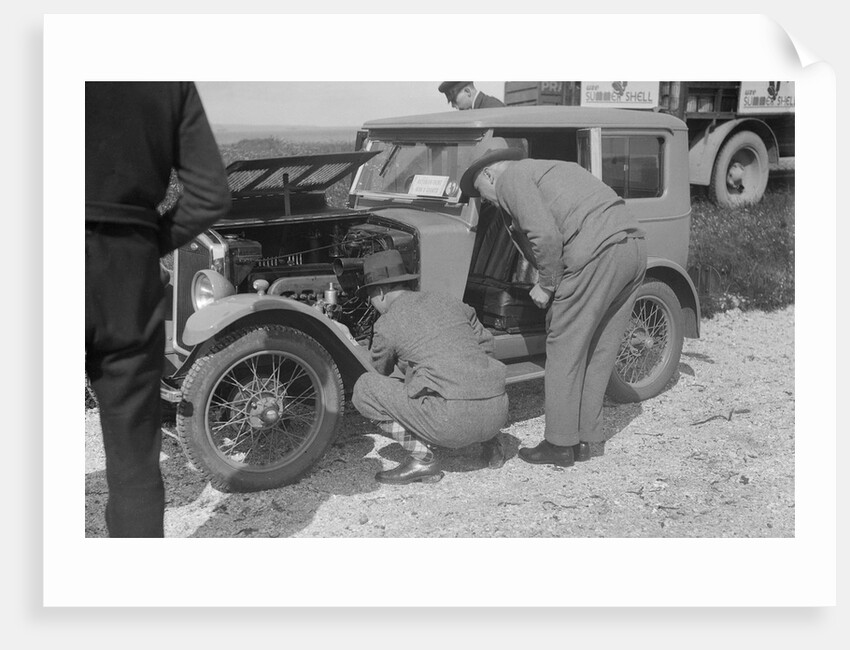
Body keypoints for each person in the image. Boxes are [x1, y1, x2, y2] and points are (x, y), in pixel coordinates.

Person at [86, 82, 232, 536]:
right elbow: (210, 195)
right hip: (125, 274)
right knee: (134, 458)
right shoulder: (166, 80)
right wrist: (145, 244)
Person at [459, 137, 647, 468]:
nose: (485, 201)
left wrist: (546, 285)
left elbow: (545, 236)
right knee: (598, 350)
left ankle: (559, 444)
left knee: (563, 347)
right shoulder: (547, 169)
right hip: (632, 246)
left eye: (480, 192)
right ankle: (587, 440)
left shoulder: (511, 179)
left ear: (489, 175)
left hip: (596, 252)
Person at [352, 250, 509, 484]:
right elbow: (486, 344)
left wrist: (354, 343)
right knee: (464, 372)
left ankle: (422, 458)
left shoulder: (387, 323)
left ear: (380, 292)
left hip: (451, 424)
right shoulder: (452, 302)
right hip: (498, 413)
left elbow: (379, 371)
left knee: (364, 389)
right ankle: (492, 445)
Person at [438, 81, 505, 110]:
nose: (453, 105)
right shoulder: (482, 106)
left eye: (454, 100)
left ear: (467, 92)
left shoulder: (493, 108)